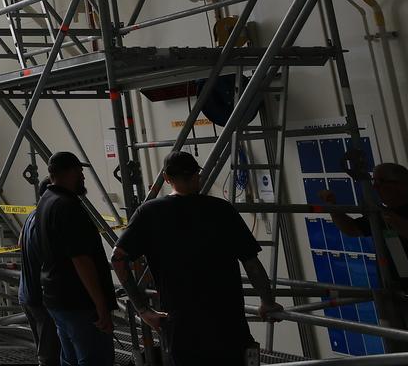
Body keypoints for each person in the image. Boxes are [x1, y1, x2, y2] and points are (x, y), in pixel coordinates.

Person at [111, 150, 281, 366]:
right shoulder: (221, 210)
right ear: (196, 175)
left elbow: (117, 259)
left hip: (182, 326)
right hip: (228, 322)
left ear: (166, 178)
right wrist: (267, 302)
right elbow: (251, 263)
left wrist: (143, 309)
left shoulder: (149, 213)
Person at [34, 152, 115, 366]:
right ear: (69, 172)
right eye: (80, 171)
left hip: (57, 299)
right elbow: (80, 259)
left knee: (70, 359)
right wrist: (101, 305)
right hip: (79, 302)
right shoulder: (67, 206)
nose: (83, 176)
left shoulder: (45, 202)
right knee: (94, 358)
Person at [319, 153, 408, 330]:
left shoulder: (404, 212)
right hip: (396, 292)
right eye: (374, 181)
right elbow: (351, 229)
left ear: (402, 186)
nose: (376, 187)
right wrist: (332, 207)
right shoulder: (381, 215)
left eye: (381, 182)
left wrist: (388, 218)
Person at [17, 207, 60, 366]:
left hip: (27, 293)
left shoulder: (31, 217)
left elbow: (20, 241)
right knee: (51, 353)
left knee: (44, 349)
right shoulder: (48, 220)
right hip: (41, 296)